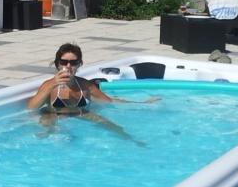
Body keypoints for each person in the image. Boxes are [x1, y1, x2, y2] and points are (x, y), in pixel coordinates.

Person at [27, 43, 155, 142]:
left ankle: (132, 141)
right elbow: (31, 108)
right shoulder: (49, 85)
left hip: (81, 113)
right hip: (54, 115)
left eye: (73, 62)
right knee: (47, 125)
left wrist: (141, 103)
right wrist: (53, 84)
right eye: (64, 62)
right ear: (57, 64)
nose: (68, 66)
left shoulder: (85, 86)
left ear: (79, 64)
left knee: (112, 126)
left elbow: (109, 101)